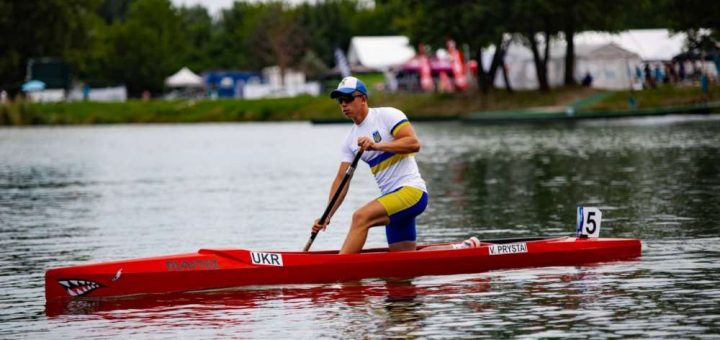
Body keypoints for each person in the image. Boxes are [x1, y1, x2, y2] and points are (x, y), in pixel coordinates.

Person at [311, 76, 479, 254]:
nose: (343, 104)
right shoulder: (349, 141)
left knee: (361, 217)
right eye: (340, 100)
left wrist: (376, 146)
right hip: (393, 199)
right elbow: (341, 181)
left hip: (412, 192)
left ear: (363, 99)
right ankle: (462, 248)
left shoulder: (387, 116)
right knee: (406, 260)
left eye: (348, 99)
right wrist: (326, 216)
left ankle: (340, 271)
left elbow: (413, 143)